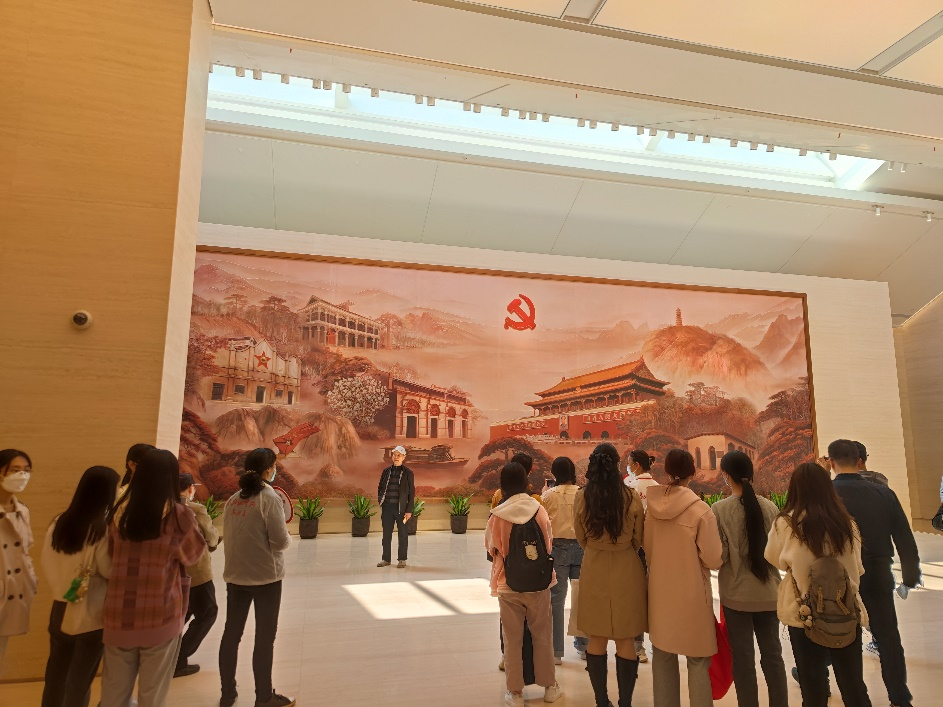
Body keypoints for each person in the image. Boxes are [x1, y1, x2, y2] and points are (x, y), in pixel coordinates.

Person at [100, 449, 205, 707]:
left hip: (119, 613)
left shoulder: (119, 512)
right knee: (153, 694)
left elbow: (110, 555)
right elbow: (193, 554)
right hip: (161, 612)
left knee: (114, 694)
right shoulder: (178, 515)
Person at [765, 461, 871, 707]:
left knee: (812, 688)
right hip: (845, 611)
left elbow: (773, 558)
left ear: (795, 489)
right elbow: (858, 568)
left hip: (805, 613)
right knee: (853, 685)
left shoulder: (786, 523)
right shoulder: (846, 523)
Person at [830, 439, 919, 707]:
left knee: (841, 636)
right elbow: (904, 538)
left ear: (831, 462)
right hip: (878, 573)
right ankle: (899, 698)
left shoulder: (827, 495)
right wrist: (910, 577)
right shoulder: (883, 493)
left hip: (839, 576)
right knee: (888, 638)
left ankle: (853, 696)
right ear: (859, 460)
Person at [644, 448, 722, 707]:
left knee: (663, 656)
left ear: (666, 471)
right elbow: (713, 559)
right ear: (693, 472)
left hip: (659, 592)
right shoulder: (700, 510)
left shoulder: (651, 508)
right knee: (698, 659)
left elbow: (647, 548)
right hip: (692, 593)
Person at [219, 448, 294, 707]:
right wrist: (288, 538)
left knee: (231, 635)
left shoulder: (234, 499)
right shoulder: (269, 497)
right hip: (265, 578)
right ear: (268, 470)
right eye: (274, 466)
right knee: (264, 638)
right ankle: (264, 696)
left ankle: (227, 694)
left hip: (235, 577)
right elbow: (280, 541)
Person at [712, 451, 788, 707]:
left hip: (737, 598)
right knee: (773, 656)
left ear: (726, 475)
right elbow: (778, 553)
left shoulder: (720, 509)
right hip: (769, 595)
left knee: (743, 660)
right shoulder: (770, 507)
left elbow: (721, 556)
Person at [40, 465, 119, 707]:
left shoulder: (58, 522)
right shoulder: (100, 530)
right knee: (79, 680)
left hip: (60, 605)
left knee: (55, 674)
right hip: (90, 611)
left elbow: (46, 560)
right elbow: (108, 570)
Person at [574, 443, 646, 707]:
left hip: (594, 563)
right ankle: (625, 702)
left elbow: (580, 536)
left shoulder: (582, 496)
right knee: (626, 637)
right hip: (626, 565)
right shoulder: (630, 496)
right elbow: (638, 537)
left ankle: (602, 701)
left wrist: (596, 547)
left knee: (596, 636)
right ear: (617, 464)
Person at [485, 461, 563, 706]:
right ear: (526, 482)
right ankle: (549, 687)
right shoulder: (538, 509)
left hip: (508, 584)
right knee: (542, 635)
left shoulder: (498, 514)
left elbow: (491, 548)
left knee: (512, 639)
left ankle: (515, 692)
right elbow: (548, 544)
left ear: (503, 484)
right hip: (539, 583)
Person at [541, 456, 588, 663]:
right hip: (582, 547)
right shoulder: (583, 494)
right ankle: (584, 647)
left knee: (556, 600)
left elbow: (543, 524)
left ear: (554, 473)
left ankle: (556, 651)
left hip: (557, 548)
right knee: (581, 598)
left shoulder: (548, 495)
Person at [174, 472, 220, 678]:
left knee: (182, 614)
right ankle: (178, 657)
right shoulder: (195, 509)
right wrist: (213, 541)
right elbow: (210, 537)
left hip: (173, 573)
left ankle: (169, 655)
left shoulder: (164, 508)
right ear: (191, 488)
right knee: (208, 612)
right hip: (197, 572)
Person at [0, 449, 37, 668]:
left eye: (26, 470)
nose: (22, 475)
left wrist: (30, 580)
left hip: (11, 593)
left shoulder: (22, 510)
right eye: (15, 470)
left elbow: (25, 549)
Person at [624, 448, 658, 662]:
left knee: (635, 596)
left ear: (636, 465)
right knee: (654, 596)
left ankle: (638, 647)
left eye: (629, 463)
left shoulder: (630, 487)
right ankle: (659, 642)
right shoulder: (658, 488)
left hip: (634, 548)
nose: (627, 467)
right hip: (655, 548)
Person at [376, 445, 414, 568]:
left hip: (401, 510)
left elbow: (411, 493)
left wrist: (409, 510)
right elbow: (380, 488)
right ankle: (386, 559)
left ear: (404, 457)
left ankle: (402, 559)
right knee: (386, 534)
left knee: (402, 534)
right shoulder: (386, 471)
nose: (396, 457)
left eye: (399, 455)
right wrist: (381, 500)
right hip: (387, 508)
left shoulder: (408, 473)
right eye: (394, 455)